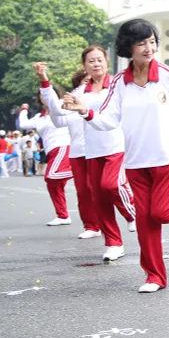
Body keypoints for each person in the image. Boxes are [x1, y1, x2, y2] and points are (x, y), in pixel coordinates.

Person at [63, 19, 169, 293]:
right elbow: (108, 120)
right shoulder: (119, 83)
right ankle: (154, 276)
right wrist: (86, 111)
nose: (149, 47)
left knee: (162, 213)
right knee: (145, 221)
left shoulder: (166, 74)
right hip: (136, 162)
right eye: (142, 43)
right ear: (129, 47)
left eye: (152, 41)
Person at [69, 45, 136, 261]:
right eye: (91, 61)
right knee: (99, 198)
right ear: (84, 66)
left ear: (106, 62)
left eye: (99, 60)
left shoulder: (118, 85)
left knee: (111, 185)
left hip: (115, 145)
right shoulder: (81, 92)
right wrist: (66, 104)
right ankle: (114, 243)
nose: (96, 64)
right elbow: (63, 111)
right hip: (92, 149)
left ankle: (131, 211)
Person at [37, 64, 102, 239]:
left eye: (92, 81)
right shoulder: (71, 106)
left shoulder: (103, 96)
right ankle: (92, 226)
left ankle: (128, 213)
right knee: (85, 191)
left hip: (102, 151)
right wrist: (44, 80)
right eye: (85, 81)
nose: (89, 84)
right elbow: (56, 112)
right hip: (78, 152)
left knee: (108, 188)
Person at [18, 94, 74, 226]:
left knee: (51, 177)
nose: (45, 97)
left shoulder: (62, 107)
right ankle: (63, 216)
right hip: (50, 151)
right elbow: (23, 125)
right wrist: (24, 110)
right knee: (53, 185)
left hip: (63, 145)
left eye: (47, 94)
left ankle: (82, 171)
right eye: (42, 95)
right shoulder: (39, 117)